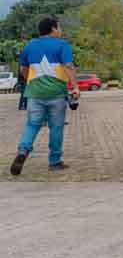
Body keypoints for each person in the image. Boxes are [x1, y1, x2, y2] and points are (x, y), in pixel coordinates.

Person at [10, 17, 79, 176]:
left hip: (34, 93)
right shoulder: (62, 45)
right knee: (56, 127)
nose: (60, 31)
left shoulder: (29, 46)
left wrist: (31, 82)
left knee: (32, 125)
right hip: (56, 93)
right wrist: (75, 87)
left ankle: (23, 150)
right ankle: (54, 162)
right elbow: (68, 66)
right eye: (59, 27)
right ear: (53, 29)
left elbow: (23, 69)